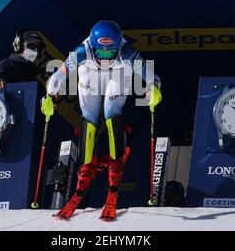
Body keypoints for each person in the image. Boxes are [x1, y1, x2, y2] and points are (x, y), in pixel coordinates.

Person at [41, 20, 162, 219]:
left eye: (109, 53)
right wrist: (50, 96)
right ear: (94, 47)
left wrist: (153, 87)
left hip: (119, 72)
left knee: (111, 113)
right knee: (88, 116)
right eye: (101, 53)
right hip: (89, 73)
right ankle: (86, 165)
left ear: (117, 46)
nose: (105, 57)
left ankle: (115, 170)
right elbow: (59, 75)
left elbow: (149, 73)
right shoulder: (82, 51)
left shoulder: (126, 51)